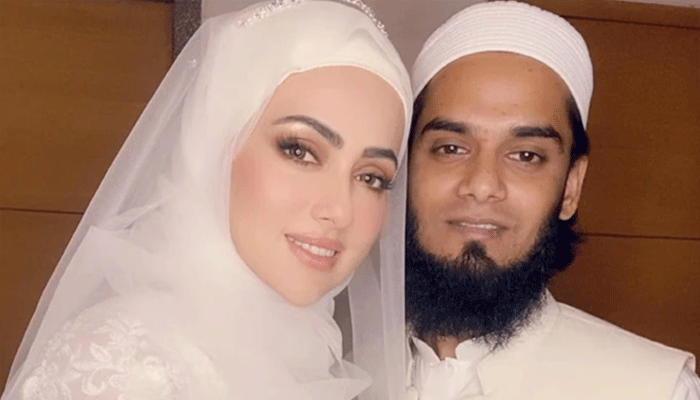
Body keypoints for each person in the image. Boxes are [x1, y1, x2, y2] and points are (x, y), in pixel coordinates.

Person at [1, 1, 412, 399]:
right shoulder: (127, 367)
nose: (340, 210)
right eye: (299, 151)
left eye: (371, 178)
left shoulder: (313, 358)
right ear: (215, 143)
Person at [404, 2, 700, 399]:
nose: (482, 185)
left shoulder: (657, 390)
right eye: (451, 148)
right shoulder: (335, 367)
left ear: (571, 186)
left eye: (526, 156)